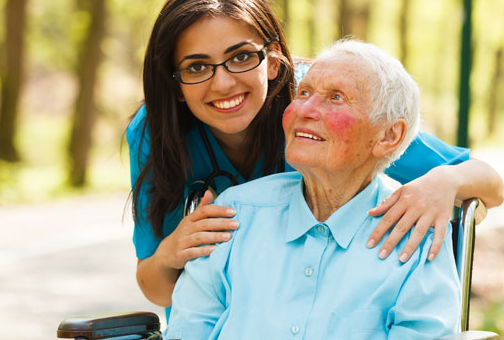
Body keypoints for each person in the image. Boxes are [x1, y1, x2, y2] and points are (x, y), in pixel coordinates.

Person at [126, 0, 504, 319]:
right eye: (196, 67)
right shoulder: (156, 132)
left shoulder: (318, 107)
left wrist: (442, 183)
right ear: (175, 83)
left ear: (273, 62)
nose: (223, 83)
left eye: (241, 57)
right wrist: (170, 253)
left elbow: (490, 183)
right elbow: (155, 286)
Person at [164, 40, 466, 340]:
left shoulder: (416, 233)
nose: (304, 109)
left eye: (336, 98)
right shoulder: (232, 215)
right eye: (304, 92)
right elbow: (189, 328)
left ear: (388, 135)